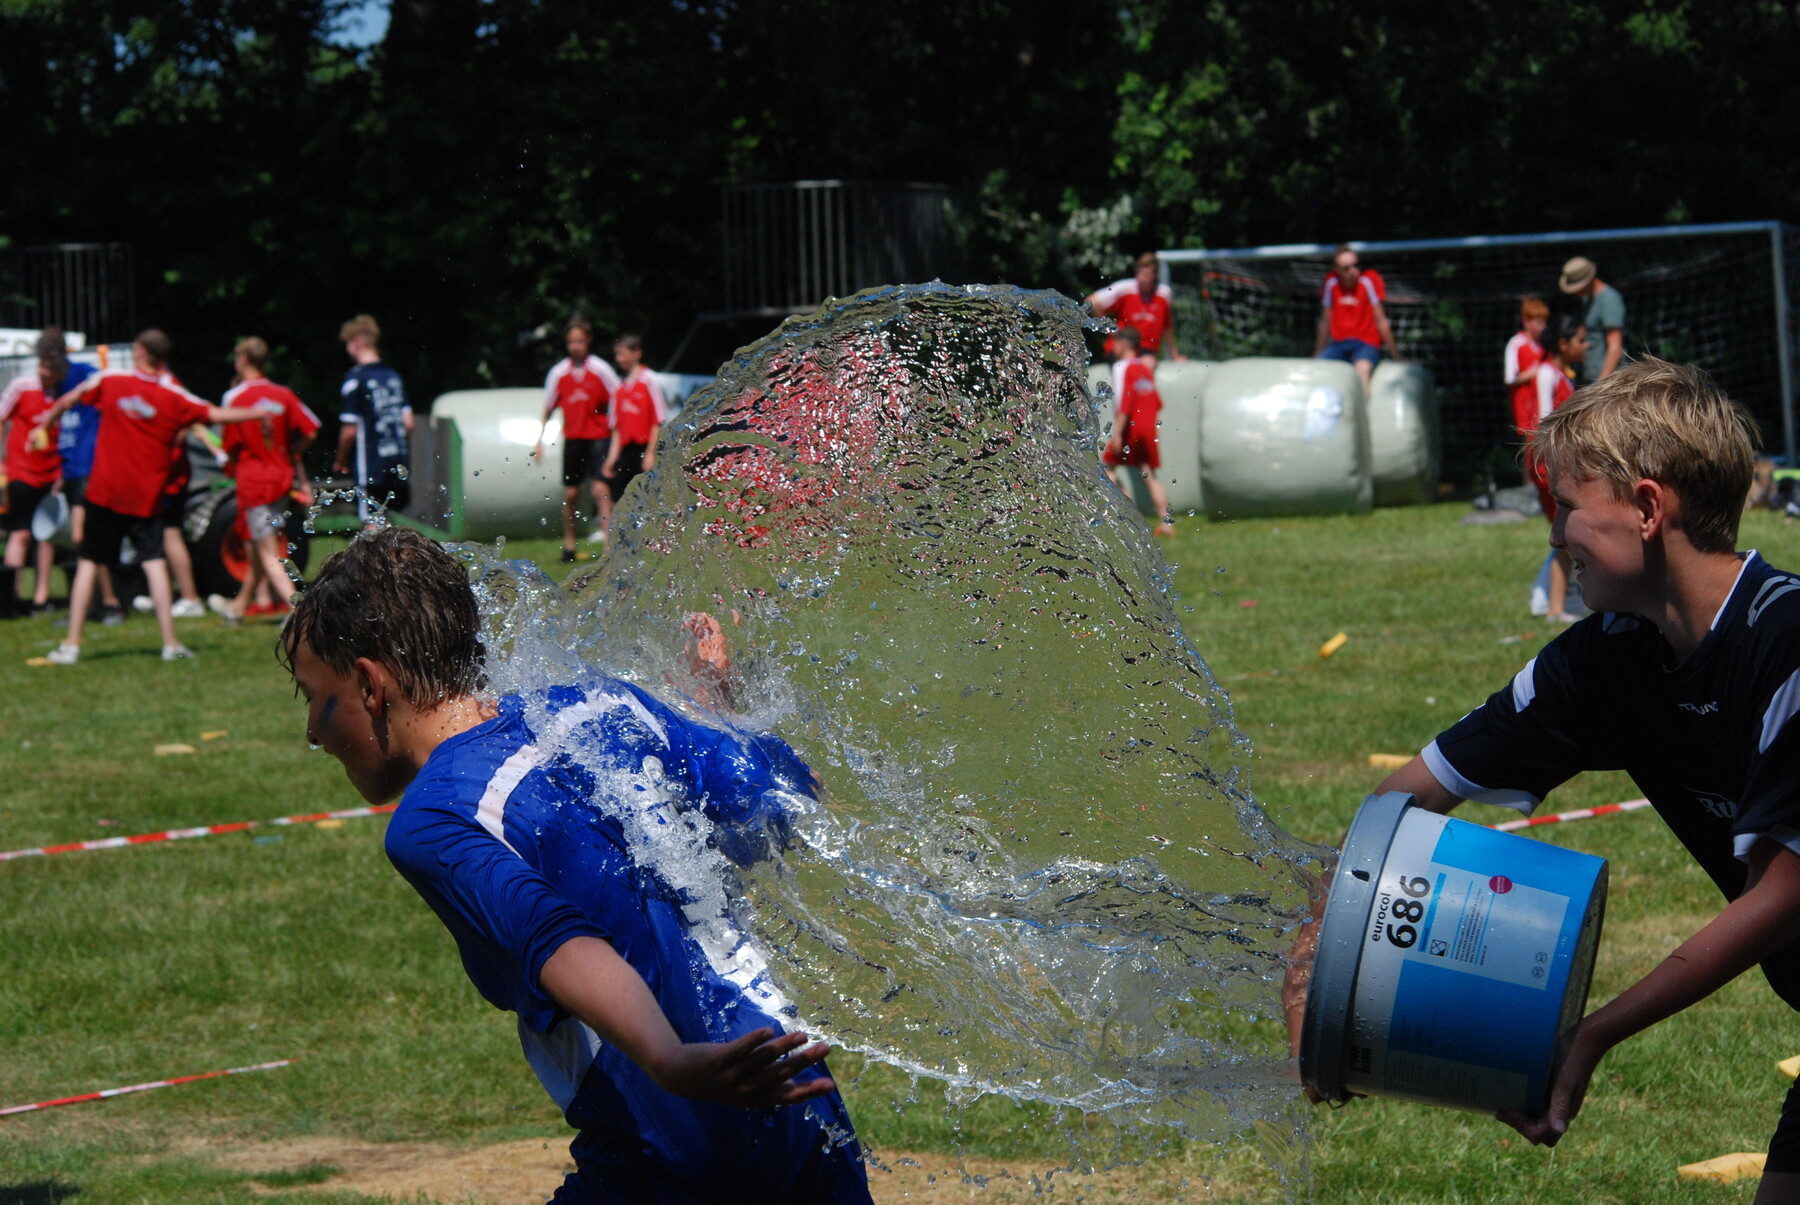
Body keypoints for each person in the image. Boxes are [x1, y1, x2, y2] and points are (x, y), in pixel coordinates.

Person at [1297, 360, 1800, 1204]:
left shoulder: (1786, 643)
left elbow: (1782, 897)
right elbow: (1404, 797)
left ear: (1647, 508)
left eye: (1566, 506)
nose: (1555, 534)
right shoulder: (1606, 659)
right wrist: (1320, 962)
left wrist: (1591, 1032)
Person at [280, 527, 874, 1203]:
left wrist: (667, 1056)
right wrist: (714, 711)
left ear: (369, 684)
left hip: (675, 1141)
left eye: (315, 698)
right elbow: (775, 798)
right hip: (795, 1099)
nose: (312, 731)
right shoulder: (600, 705)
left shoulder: (437, 817)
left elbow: (555, 936)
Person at [34, 329, 281, 665]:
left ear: (138, 351)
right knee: (154, 564)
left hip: (105, 492)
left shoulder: (111, 380)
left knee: (89, 563)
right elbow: (213, 414)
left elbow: (67, 401)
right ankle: (171, 643)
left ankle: (71, 645)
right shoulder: (174, 395)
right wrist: (259, 414)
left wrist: (43, 427)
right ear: (163, 357)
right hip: (146, 498)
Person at [207, 337, 319, 622]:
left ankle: (297, 611)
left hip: (254, 480)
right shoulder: (283, 394)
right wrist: (290, 452)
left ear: (244, 359)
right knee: (261, 542)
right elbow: (311, 429)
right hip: (280, 478)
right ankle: (238, 607)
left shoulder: (234, 397)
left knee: (267, 550)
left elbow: (228, 445)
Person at [40, 330, 121, 622]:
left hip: (89, 468)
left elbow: (108, 388)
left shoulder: (85, 375)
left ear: (63, 354)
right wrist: (62, 472)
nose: (47, 367)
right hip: (73, 470)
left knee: (85, 537)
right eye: (43, 361)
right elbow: (67, 433)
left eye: (51, 360)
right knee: (85, 539)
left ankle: (109, 603)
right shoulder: (58, 386)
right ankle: (98, 605)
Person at [532, 319, 621, 561]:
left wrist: (616, 430)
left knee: (600, 489)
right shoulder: (559, 373)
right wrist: (539, 441)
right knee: (571, 493)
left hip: (599, 437)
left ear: (588, 341)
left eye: (580, 341)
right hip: (573, 439)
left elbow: (618, 397)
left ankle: (609, 547)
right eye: (571, 341)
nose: (575, 346)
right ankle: (569, 545)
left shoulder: (600, 369)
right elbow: (548, 407)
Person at [1528, 315, 1590, 623]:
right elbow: (1544, 422)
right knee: (1565, 534)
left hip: (1558, 463)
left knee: (1569, 535)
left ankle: (1558, 603)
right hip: (1548, 465)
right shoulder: (1545, 373)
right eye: (1581, 340)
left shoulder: (1560, 375)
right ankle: (1554, 607)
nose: (1586, 346)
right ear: (1563, 344)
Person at [332, 314, 412, 525]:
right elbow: (409, 423)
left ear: (357, 341)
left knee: (370, 523)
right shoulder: (394, 376)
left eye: (348, 343)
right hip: (397, 459)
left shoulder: (356, 378)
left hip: (371, 462)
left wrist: (341, 460)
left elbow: (350, 430)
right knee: (388, 520)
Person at [0, 356, 65, 616]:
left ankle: (41, 597)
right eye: (43, 367)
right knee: (21, 534)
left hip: (52, 473)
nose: (45, 374)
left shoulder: (64, 391)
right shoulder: (22, 386)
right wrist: (1, 461)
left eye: (51, 369)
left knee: (46, 536)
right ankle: (10, 597)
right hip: (21, 472)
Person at [1100, 326, 1176, 537]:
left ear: (1124, 344)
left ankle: (1131, 517)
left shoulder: (1122, 367)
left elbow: (1123, 403)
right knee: (1149, 473)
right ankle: (1166, 522)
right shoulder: (1144, 368)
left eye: (1115, 343)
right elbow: (1156, 401)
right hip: (1147, 426)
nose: (1112, 348)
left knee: (1105, 469)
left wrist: (1118, 433)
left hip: (1129, 427)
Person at [600, 334, 667, 532]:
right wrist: (612, 457)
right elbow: (616, 428)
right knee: (620, 500)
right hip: (625, 450)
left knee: (646, 498)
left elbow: (657, 420)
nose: (619, 359)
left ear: (636, 353)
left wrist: (650, 453)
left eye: (622, 354)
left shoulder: (649, 380)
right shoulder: (618, 385)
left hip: (644, 447)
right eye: (617, 354)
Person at [1314, 244, 1398, 389]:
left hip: (1366, 342)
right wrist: (1317, 354)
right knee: (1319, 369)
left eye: (1356, 265)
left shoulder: (1369, 280)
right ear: (1337, 270)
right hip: (1339, 343)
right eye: (1347, 268)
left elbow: (1381, 320)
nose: (1353, 271)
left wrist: (1395, 355)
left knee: (1362, 371)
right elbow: (1325, 322)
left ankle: (1363, 403)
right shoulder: (1331, 282)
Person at [1085, 251, 1185, 360]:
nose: (1146, 273)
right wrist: (1113, 329)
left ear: (1155, 274)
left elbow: (1167, 327)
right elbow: (1091, 302)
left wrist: (1174, 355)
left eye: (1151, 270)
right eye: (1143, 268)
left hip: (1147, 350)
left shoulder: (1163, 295)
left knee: (1147, 361)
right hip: (1123, 348)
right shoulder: (1125, 289)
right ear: (1137, 271)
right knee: (1129, 358)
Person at [1559, 256, 1626, 384]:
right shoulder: (1587, 299)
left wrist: (1602, 383)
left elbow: (1615, 347)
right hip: (1591, 374)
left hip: (1606, 379)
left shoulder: (1609, 300)